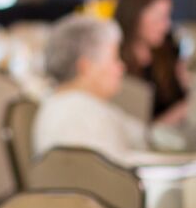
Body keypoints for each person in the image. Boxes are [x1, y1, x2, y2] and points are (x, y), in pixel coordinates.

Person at [32, 14, 148, 162]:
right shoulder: (81, 115)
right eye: (114, 59)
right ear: (86, 68)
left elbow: (139, 134)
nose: (121, 67)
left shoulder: (68, 104)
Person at [115, 0, 188, 124]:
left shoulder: (169, 48)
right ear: (135, 16)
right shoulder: (115, 58)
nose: (166, 25)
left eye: (168, 16)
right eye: (159, 18)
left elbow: (183, 94)